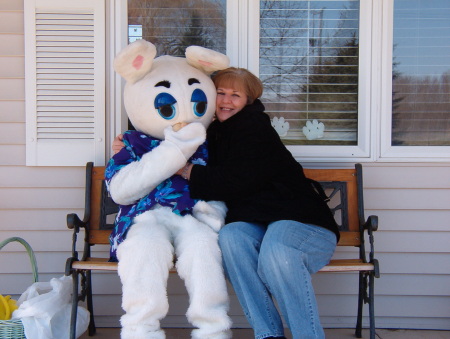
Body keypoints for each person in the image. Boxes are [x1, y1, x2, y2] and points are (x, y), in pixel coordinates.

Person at [113, 67, 340, 339]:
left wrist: (186, 170)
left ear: (248, 101)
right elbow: (168, 130)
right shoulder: (216, 130)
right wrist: (130, 143)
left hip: (300, 219)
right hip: (261, 221)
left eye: (236, 95)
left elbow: (236, 180)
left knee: (277, 252)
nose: (226, 101)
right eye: (220, 93)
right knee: (231, 238)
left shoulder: (253, 127)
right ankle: (268, 334)